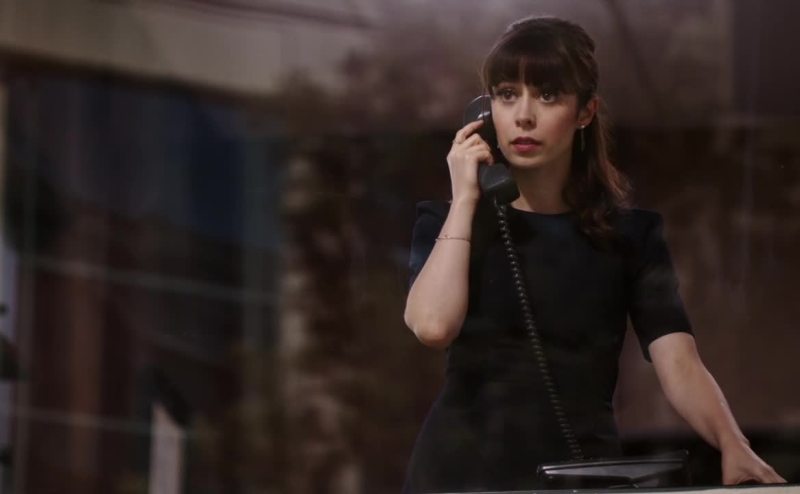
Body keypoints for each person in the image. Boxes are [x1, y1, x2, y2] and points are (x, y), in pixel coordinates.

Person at [402, 16, 785, 493]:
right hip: (461, 475)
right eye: (506, 94)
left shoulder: (631, 236)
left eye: (547, 95)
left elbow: (679, 361)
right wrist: (465, 199)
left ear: (585, 111)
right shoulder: (446, 223)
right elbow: (433, 326)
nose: (523, 116)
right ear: (484, 112)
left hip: (582, 474)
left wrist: (733, 443)